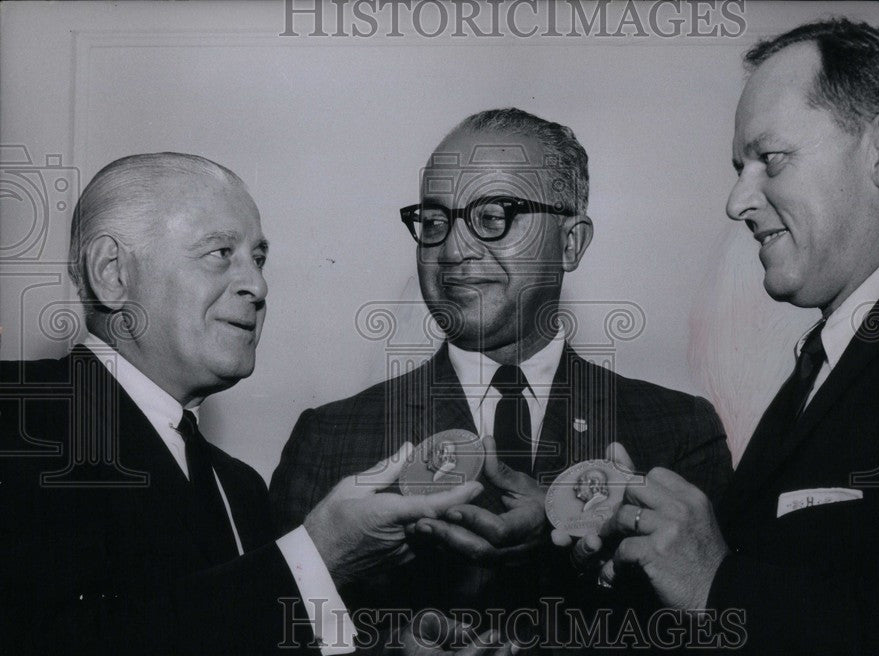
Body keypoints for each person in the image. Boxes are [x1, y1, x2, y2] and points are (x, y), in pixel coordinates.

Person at [576, 19, 879, 655]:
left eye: (769, 159)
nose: (738, 200)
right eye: (739, 167)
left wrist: (716, 585)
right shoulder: (837, 351)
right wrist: (644, 541)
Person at [270, 108, 732, 651]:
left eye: (493, 216)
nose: (453, 250)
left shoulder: (677, 433)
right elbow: (273, 633)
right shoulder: (329, 439)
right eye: (435, 221)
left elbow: (722, 632)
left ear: (571, 243)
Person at [0, 152, 491, 656]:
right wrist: (316, 556)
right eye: (220, 253)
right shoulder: (18, 418)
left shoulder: (238, 487)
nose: (257, 285)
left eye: (258, 258)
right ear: (112, 273)